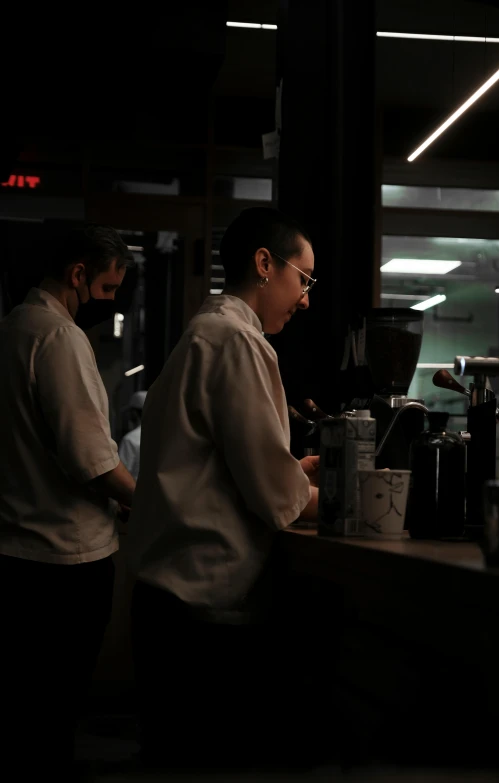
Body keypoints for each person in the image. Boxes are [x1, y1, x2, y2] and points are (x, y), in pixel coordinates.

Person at [127, 207, 319, 771]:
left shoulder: (204, 332)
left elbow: (218, 463)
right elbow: (274, 499)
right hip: (198, 610)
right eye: (303, 280)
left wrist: (289, 471)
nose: (305, 299)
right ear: (265, 264)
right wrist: (335, 495)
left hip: (164, 602)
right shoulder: (238, 341)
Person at [0, 223, 136, 779]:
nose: (108, 303)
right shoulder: (58, 337)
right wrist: (150, 502)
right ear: (77, 274)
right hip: (62, 561)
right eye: (106, 290)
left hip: (14, 550)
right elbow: (93, 462)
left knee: (23, 714)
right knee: (53, 715)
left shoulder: (11, 328)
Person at [119, 390, 147, 480]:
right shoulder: (163, 436)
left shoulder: (130, 439)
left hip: (134, 492)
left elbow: (122, 476)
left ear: (134, 413)